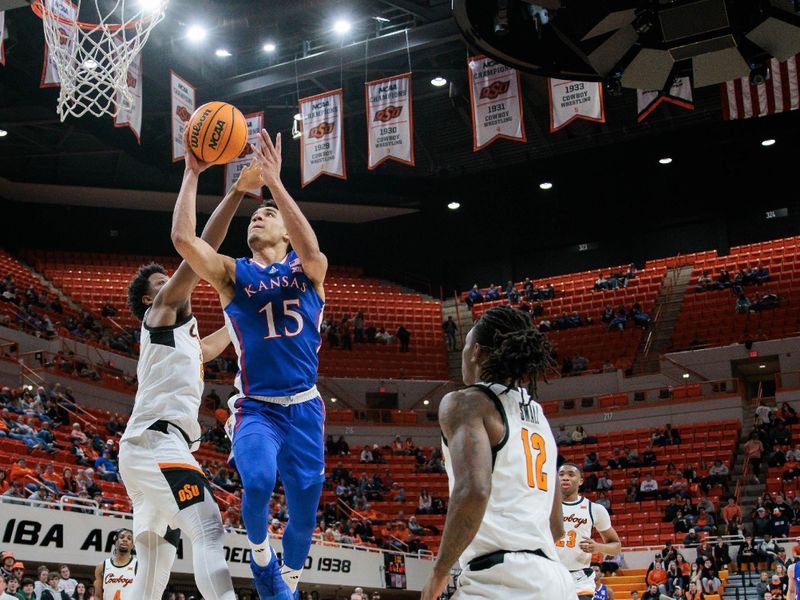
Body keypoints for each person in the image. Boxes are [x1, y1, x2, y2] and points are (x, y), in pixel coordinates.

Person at [172, 128, 327, 599]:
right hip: (257, 406)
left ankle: (290, 585)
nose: (259, 217)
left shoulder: (309, 271)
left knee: (304, 511)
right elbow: (183, 238)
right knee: (257, 479)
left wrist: (276, 185)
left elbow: (313, 249)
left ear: (285, 231)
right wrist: (193, 174)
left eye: (268, 214)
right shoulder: (233, 274)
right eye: (254, 215)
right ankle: (262, 558)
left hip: (305, 407)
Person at [119, 139, 256, 600]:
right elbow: (200, 246)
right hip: (157, 442)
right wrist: (228, 189)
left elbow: (222, 340)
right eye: (166, 281)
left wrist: (255, 317)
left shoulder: (185, 339)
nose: (177, 281)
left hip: (147, 449)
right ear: (149, 298)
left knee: (156, 561)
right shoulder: (159, 314)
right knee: (208, 527)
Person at [419, 306, 575, 600]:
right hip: (555, 581)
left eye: (465, 346)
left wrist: (438, 573)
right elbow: (555, 525)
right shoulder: (539, 416)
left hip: (502, 582)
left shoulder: (466, 403)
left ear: (476, 351)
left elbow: (474, 489)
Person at [556, 463, 621, 600]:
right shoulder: (544, 505)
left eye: (571, 474)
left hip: (580, 578)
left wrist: (598, 547)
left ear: (580, 481)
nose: (565, 478)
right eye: (561, 475)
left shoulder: (594, 509)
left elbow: (616, 546)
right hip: (549, 574)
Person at [94, 528, 137, 599]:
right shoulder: (102, 566)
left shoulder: (138, 565)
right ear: (116, 542)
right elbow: (98, 596)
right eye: (121, 537)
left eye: (129, 538)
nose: (125, 540)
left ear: (132, 545)